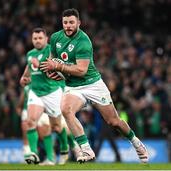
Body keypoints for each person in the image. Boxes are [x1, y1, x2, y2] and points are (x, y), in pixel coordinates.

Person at [40, 8, 149, 163]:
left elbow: (81, 70)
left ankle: (136, 143)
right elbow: (52, 62)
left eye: (71, 22)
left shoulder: (83, 41)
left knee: (114, 122)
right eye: (65, 22)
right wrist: (50, 71)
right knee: (66, 109)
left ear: (79, 23)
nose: (68, 26)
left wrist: (59, 68)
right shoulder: (56, 38)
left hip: (93, 85)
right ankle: (86, 150)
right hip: (73, 87)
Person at [20, 28, 69, 165]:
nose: (37, 41)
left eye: (40, 38)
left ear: (46, 39)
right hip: (36, 93)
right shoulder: (30, 53)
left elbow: (55, 69)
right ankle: (33, 153)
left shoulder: (51, 50)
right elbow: (29, 67)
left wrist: (40, 65)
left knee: (57, 127)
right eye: (35, 38)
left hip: (52, 93)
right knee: (30, 122)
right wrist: (24, 77)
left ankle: (64, 147)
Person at [16, 84, 56, 165]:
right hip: (27, 112)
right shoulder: (27, 88)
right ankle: (29, 156)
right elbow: (19, 104)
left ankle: (51, 156)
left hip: (42, 111)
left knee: (44, 133)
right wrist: (21, 114)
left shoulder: (46, 85)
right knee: (26, 134)